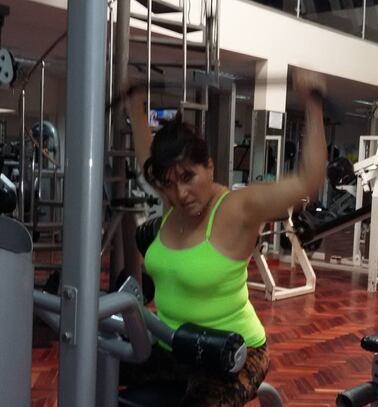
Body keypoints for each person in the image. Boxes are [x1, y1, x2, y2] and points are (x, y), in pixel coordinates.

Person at [122, 69, 327, 406]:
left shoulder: (237, 208)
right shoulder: (173, 200)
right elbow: (148, 160)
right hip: (172, 343)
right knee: (98, 368)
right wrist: (134, 106)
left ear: (210, 167)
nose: (181, 193)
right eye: (170, 183)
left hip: (232, 353)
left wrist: (313, 104)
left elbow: (308, 180)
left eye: (189, 177)